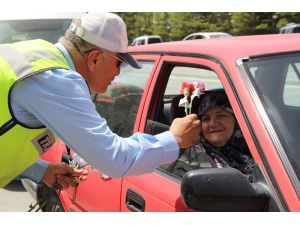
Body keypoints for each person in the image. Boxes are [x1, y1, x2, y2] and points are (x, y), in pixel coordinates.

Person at [0, 12, 200, 189]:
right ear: (94, 58)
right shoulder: (55, 80)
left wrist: (40, 170)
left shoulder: (37, 52)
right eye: (118, 63)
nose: (118, 73)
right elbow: (115, 159)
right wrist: (174, 139)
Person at [197, 89, 255, 182]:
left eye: (220, 116)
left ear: (236, 120)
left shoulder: (255, 146)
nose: (212, 124)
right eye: (206, 119)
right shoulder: (197, 155)